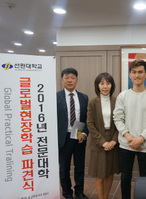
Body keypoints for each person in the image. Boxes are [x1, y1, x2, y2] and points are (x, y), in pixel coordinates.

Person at [113, 59, 146, 199]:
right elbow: (118, 118)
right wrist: (129, 139)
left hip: (145, 146)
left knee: (145, 179)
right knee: (125, 177)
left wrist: (140, 140)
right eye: (134, 72)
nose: (137, 75)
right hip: (125, 144)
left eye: (140, 72)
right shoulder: (123, 96)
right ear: (130, 75)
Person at [57, 68, 89, 199]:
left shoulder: (83, 97)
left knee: (79, 167)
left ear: (77, 80)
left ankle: (79, 192)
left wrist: (85, 133)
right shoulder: (55, 97)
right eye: (66, 77)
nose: (70, 80)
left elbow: (88, 118)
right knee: (64, 168)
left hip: (79, 135)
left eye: (72, 77)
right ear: (62, 80)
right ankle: (67, 193)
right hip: (63, 137)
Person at [87, 72, 120, 199]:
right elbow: (90, 124)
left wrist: (113, 141)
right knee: (100, 175)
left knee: (110, 174)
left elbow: (121, 123)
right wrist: (102, 142)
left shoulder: (117, 101)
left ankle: (106, 197)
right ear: (97, 86)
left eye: (108, 83)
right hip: (98, 142)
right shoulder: (92, 102)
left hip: (113, 140)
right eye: (102, 83)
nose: (105, 86)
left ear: (112, 85)